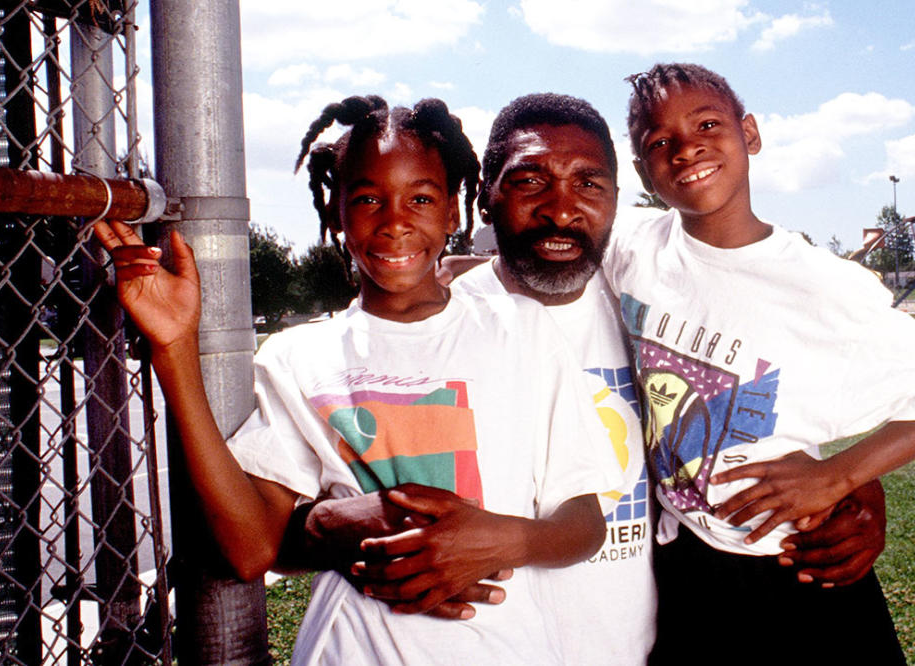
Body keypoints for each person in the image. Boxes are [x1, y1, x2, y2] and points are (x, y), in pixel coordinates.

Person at [309, 92, 896, 664]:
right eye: (529, 180)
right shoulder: (443, 325)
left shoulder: (652, 301)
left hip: (646, 639)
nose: (561, 210)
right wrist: (329, 523)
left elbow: (768, 404)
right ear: (484, 199)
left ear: (618, 201)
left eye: (588, 184)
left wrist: (855, 483)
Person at [94, 95, 621, 665]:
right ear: (336, 215)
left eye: (420, 198)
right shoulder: (300, 356)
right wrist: (174, 350)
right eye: (368, 199)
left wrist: (500, 538)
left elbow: (583, 524)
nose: (395, 222)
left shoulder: (525, 330)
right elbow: (249, 551)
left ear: (453, 212)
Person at [608, 63, 915, 662]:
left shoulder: (820, 284)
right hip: (685, 562)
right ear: (643, 172)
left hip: (790, 569)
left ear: (749, 133)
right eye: (660, 142)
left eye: (708, 123)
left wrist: (839, 477)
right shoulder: (633, 246)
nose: (687, 149)